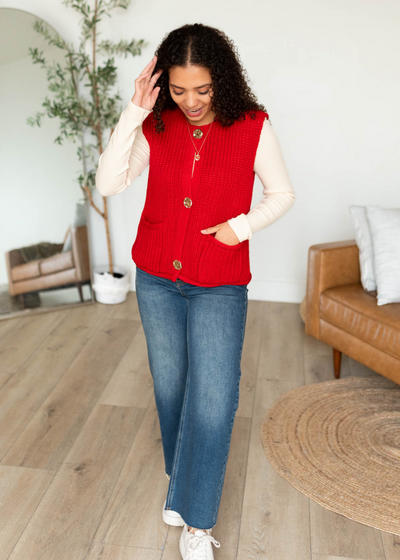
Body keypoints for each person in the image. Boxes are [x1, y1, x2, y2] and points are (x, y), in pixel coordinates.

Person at [96, 22, 295, 560]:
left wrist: (241, 227)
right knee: (171, 387)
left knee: (214, 398)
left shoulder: (253, 125)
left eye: (202, 91)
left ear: (221, 82)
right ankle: (180, 486)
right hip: (157, 278)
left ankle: (198, 522)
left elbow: (281, 194)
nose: (191, 103)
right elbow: (108, 183)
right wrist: (135, 111)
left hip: (219, 284)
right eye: (179, 90)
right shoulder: (157, 124)